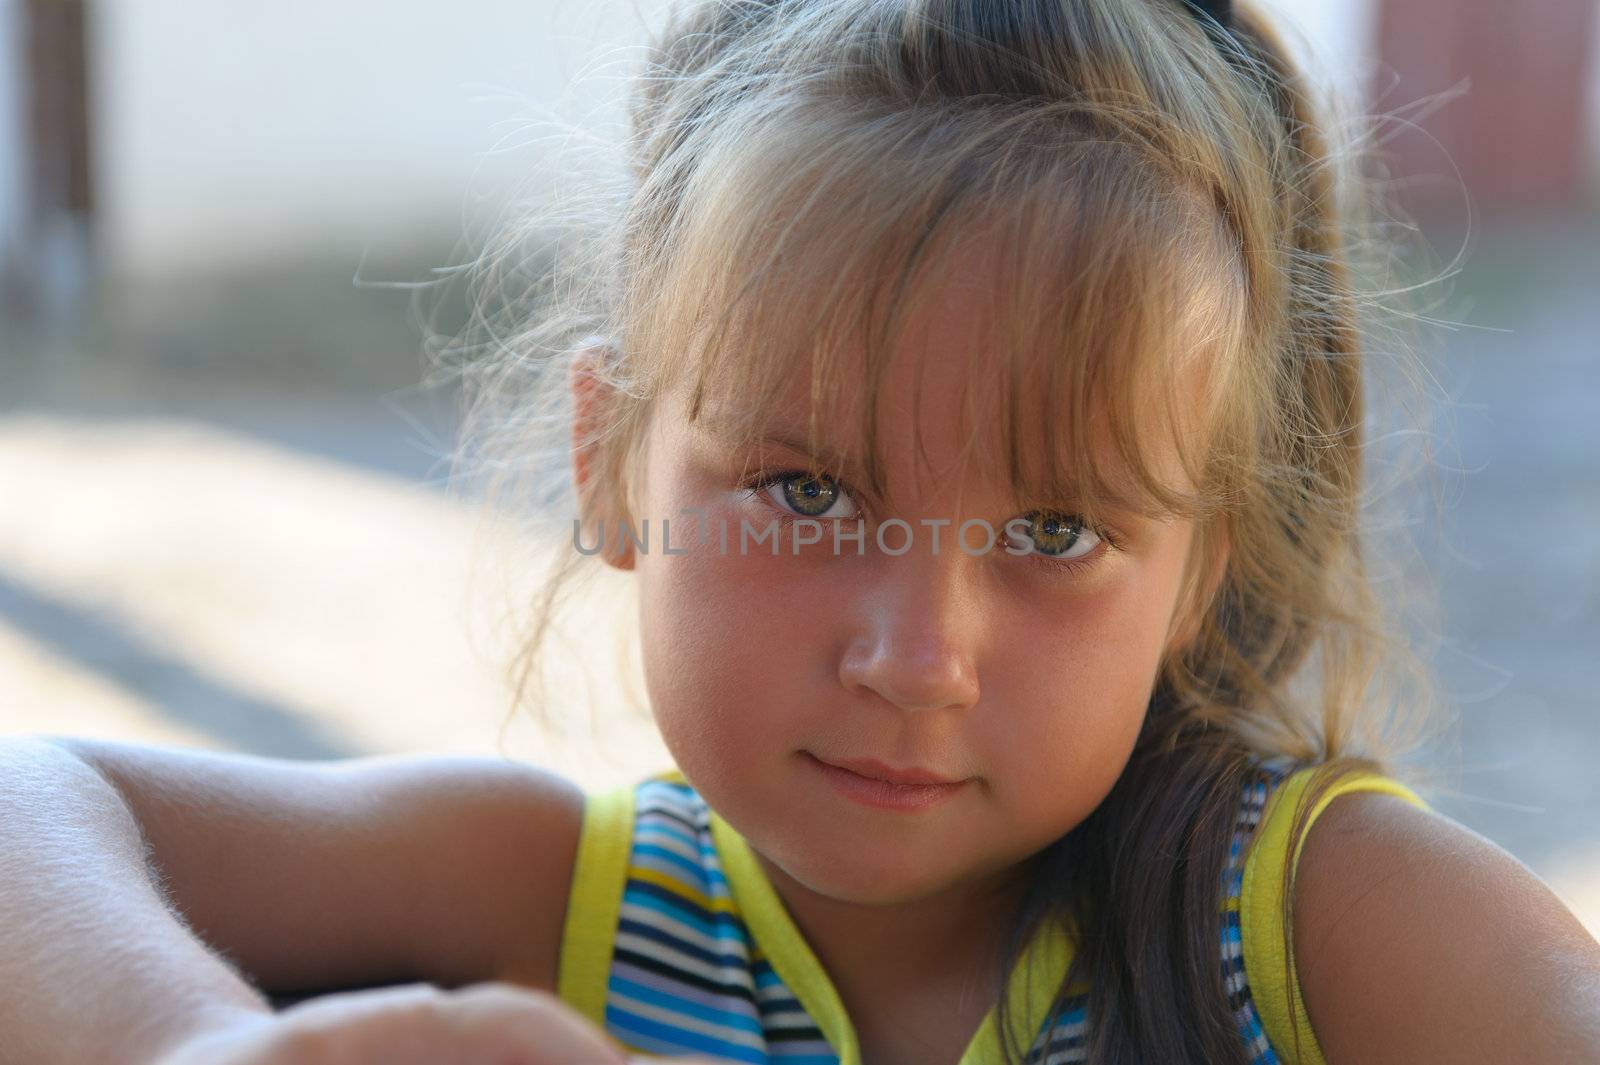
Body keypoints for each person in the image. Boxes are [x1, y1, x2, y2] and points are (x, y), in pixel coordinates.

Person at [2, 0, 1598, 1063]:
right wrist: (195, 1043)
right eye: (812, 493)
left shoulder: (1313, 923)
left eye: (1053, 527)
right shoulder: (563, 904)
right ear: (615, 458)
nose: (918, 657)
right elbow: (31, 803)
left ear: (1205, 569)